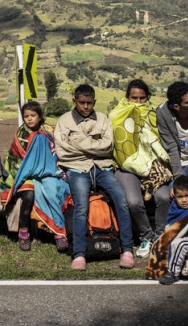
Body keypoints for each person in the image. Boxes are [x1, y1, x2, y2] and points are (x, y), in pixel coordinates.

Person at [54, 84, 135, 271]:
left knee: (121, 200)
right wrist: (93, 144)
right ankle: (79, 253)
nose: (85, 107)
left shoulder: (103, 119)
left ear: (94, 102)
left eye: (89, 103)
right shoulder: (64, 121)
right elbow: (63, 152)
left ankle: (127, 249)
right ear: (74, 101)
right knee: (81, 206)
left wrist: (77, 142)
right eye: (82, 102)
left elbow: (107, 146)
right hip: (77, 168)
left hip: (102, 167)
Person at [110, 79, 171, 259]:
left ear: (148, 98)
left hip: (153, 165)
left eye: (142, 99)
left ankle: (160, 236)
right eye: (133, 98)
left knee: (164, 197)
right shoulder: (117, 114)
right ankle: (146, 236)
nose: (137, 103)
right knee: (134, 201)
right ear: (127, 97)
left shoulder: (155, 115)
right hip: (125, 166)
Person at [0, 100, 70, 252]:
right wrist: (27, 170)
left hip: (49, 172)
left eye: (33, 115)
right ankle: (23, 231)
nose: (29, 119)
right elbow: (15, 158)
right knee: (29, 195)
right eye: (26, 116)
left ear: (40, 116)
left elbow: (56, 153)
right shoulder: (21, 134)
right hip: (25, 174)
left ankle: (58, 232)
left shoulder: (49, 131)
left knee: (53, 191)